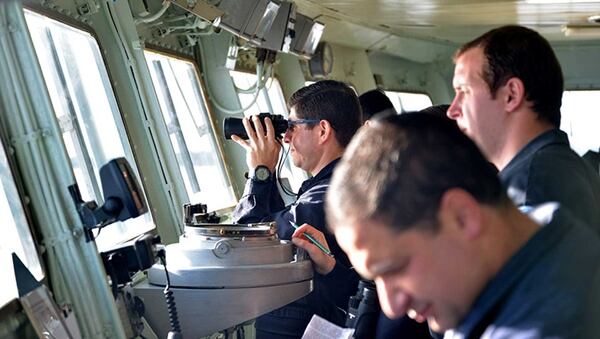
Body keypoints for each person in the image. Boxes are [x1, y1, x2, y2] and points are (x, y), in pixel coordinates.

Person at [294, 113, 600, 338]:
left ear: (462, 216)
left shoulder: (547, 327)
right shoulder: (550, 232)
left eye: (395, 268)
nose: (392, 307)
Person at [231, 80, 362, 338]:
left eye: (292, 127)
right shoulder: (340, 183)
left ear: (323, 130)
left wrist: (261, 172)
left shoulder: (328, 196)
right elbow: (277, 222)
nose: (286, 137)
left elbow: (247, 243)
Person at [446, 25, 600, 230]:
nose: (452, 110)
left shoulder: (527, 188)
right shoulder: (573, 168)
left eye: (464, 91)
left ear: (511, 95)